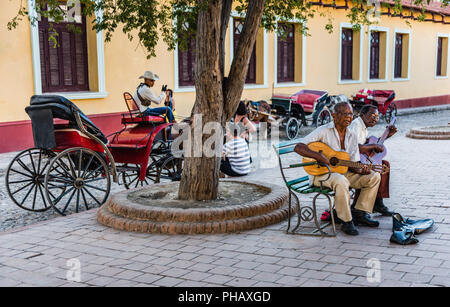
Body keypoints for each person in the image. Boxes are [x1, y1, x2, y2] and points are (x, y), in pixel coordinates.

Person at [294, 102, 381, 236]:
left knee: (374, 176)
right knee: (341, 180)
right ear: (334, 116)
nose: (348, 117)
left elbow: (354, 162)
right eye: (344, 113)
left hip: (343, 174)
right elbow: (298, 147)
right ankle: (346, 221)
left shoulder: (352, 134)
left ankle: (359, 212)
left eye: (351, 113)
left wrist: (361, 170)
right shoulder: (323, 130)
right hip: (320, 175)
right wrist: (318, 156)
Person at [349, 104, 397, 216]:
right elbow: (355, 148)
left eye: (377, 117)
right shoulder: (356, 126)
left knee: (385, 165)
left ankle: (378, 202)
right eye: (372, 115)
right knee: (375, 168)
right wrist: (373, 146)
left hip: (360, 159)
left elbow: (369, 145)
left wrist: (387, 136)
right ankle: (360, 207)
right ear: (362, 115)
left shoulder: (363, 127)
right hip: (351, 163)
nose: (375, 119)